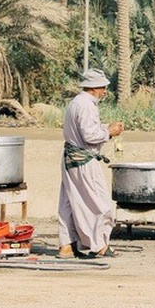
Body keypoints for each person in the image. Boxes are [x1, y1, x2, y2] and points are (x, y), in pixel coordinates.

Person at [58, 69, 124, 259]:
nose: (105, 91)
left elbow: (85, 130)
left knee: (69, 202)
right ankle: (100, 245)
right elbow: (89, 135)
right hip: (84, 160)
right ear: (95, 88)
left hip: (72, 159)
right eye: (103, 87)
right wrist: (109, 132)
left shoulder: (77, 103)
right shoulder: (86, 105)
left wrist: (106, 128)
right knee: (100, 203)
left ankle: (67, 246)